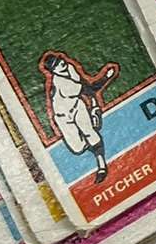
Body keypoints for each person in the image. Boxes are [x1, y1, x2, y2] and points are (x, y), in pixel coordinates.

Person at [38, 51, 118, 183]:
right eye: (56, 65)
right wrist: (106, 77)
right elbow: (91, 89)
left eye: (59, 61)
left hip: (77, 106)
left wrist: (93, 101)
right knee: (78, 148)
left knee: (90, 134)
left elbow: (85, 86)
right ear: (53, 71)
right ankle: (93, 122)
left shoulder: (70, 67)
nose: (61, 63)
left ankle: (102, 166)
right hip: (63, 117)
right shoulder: (61, 83)